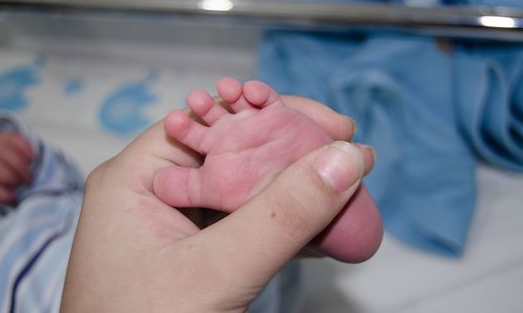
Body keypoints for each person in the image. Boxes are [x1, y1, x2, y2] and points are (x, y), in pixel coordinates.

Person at [61, 78, 381, 312]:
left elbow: (54, 174)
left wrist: (16, 154)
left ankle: (327, 211)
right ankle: (313, 195)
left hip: (237, 277)